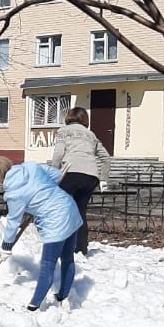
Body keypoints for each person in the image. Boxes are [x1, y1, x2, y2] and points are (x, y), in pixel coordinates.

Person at [0, 155, 83, 311]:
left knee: (47, 265)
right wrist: (39, 194)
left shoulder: (14, 194)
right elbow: (57, 176)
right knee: (67, 258)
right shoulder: (31, 167)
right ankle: (62, 295)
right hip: (69, 209)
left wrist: (6, 246)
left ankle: (33, 306)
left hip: (55, 221)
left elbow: (13, 222)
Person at [51, 105, 111, 255]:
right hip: (91, 176)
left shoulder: (63, 132)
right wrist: (103, 179)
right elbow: (106, 158)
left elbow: (58, 154)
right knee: (80, 211)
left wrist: (52, 174)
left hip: (71, 172)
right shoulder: (91, 135)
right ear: (85, 120)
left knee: (60, 208)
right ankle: (81, 248)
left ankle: (59, 245)